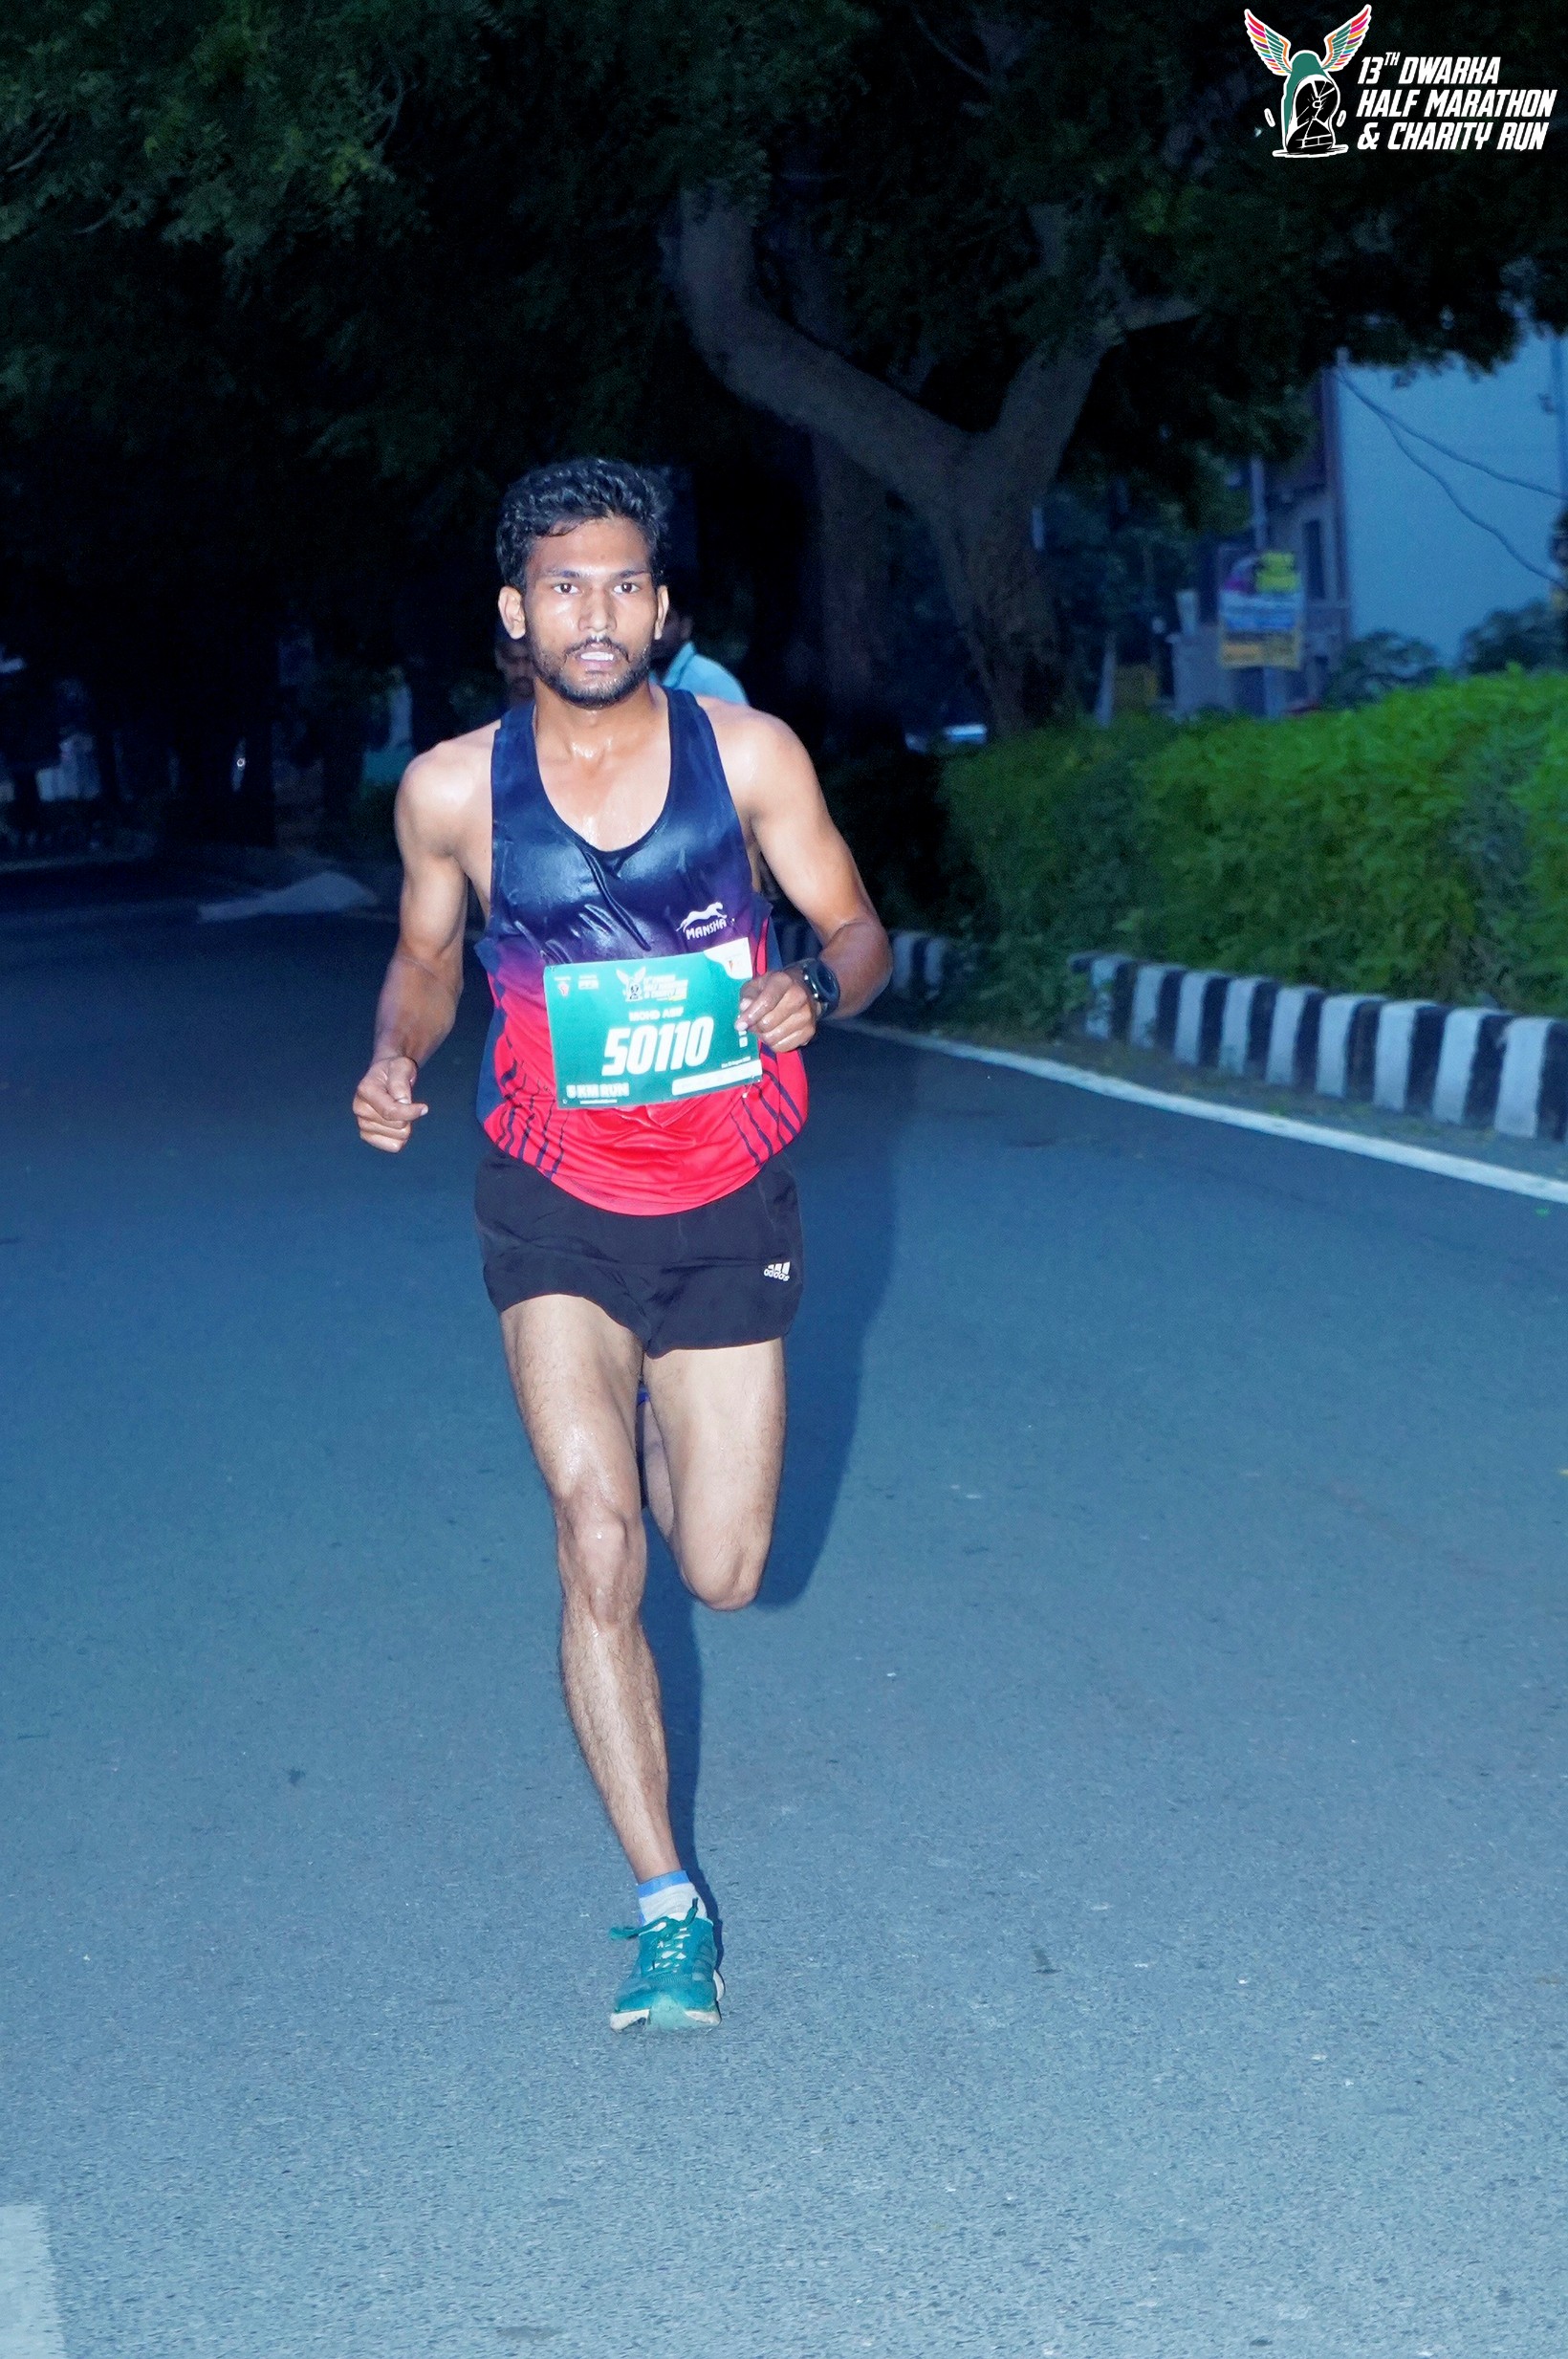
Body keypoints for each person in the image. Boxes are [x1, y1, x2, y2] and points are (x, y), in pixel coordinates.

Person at [352, 458, 890, 2031]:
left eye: (624, 583)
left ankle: (661, 1411)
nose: (597, 612)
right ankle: (667, 1904)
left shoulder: (751, 756)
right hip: (553, 1196)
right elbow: (426, 961)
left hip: (727, 1193)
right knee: (597, 1532)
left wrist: (814, 988)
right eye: (564, 586)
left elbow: (859, 928)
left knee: (721, 1567)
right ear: (516, 610)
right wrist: (396, 1052)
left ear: (661, 607)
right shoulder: (453, 790)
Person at [651, 568, 749, 705]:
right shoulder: (643, 682)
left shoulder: (711, 680)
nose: (655, 632)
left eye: (666, 620)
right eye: (649, 621)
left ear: (685, 626)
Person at [493, 613, 535, 710]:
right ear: (499, 659)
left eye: (529, 660)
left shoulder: (565, 714)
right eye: (512, 660)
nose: (521, 672)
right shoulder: (483, 716)